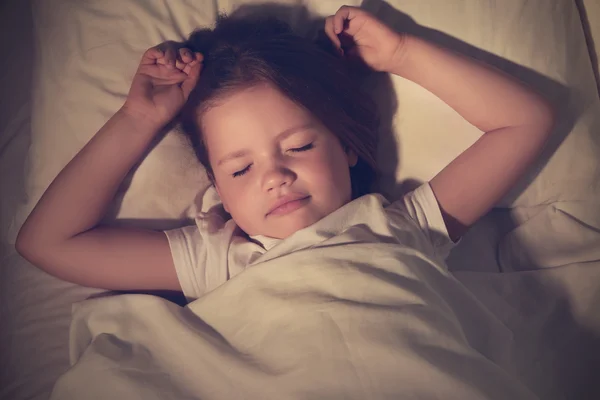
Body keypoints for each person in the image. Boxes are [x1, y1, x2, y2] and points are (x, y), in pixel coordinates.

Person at [15, 6, 555, 299]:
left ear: (346, 146)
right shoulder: (220, 258)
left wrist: (402, 54)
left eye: (298, 145)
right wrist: (138, 119)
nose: (274, 176)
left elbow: (525, 122)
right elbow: (47, 243)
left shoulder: (402, 228)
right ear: (218, 189)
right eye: (241, 168)